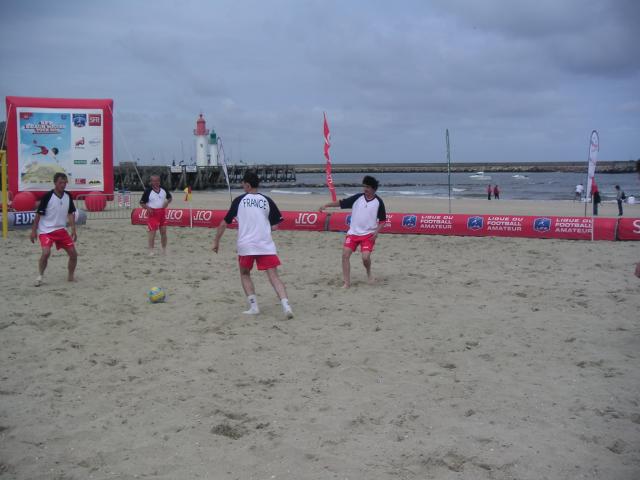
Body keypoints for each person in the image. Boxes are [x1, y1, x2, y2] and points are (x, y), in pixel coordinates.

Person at [212, 171, 293, 318]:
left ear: (248, 185)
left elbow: (223, 224)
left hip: (246, 245)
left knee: (244, 274)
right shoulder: (267, 200)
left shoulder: (239, 200)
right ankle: (286, 307)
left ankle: (254, 307)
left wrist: (216, 242)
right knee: (274, 276)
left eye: (243, 184)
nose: (242, 186)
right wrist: (262, 227)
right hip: (265, 244)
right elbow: (276, 226)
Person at [319, 175, 386, 288]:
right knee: (345, 255)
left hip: (368, 235)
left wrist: (376, 233)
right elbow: (341, 203)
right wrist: (327, 205)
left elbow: (383, 220)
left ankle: (369, 273)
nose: (365, 189)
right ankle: (347, 283)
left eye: (368, 187)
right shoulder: (358, 198)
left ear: (373, 189)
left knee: (365, 258)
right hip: (353, 233)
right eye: (364, 186)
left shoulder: (378, 202)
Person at [29, 172, 78, 286]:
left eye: (65, 182)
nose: (63, 185)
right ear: (55, 183)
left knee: (73, 255)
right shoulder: (47, 196)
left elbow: (70, 213)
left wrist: (73, 229)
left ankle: (70, 277)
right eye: (61, 182)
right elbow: (38, 215)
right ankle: (40, 276)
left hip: (61, 230)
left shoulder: (68, 196)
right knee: (46, 253)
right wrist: (33, 231)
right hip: (46, 230)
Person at [139, 174, 172, 255]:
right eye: (153, 181)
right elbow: (141, 203)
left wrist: (167, 202)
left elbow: (170, 197)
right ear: (151, 182)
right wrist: (147, 208)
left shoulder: (163, 189)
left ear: (159, 181)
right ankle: (151, 250)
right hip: (153, 213)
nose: (155, 182)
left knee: (163, 232)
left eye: (157, 181)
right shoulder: (148, 191)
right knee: (152, 232)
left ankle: (164, 249)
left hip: (162, 213)